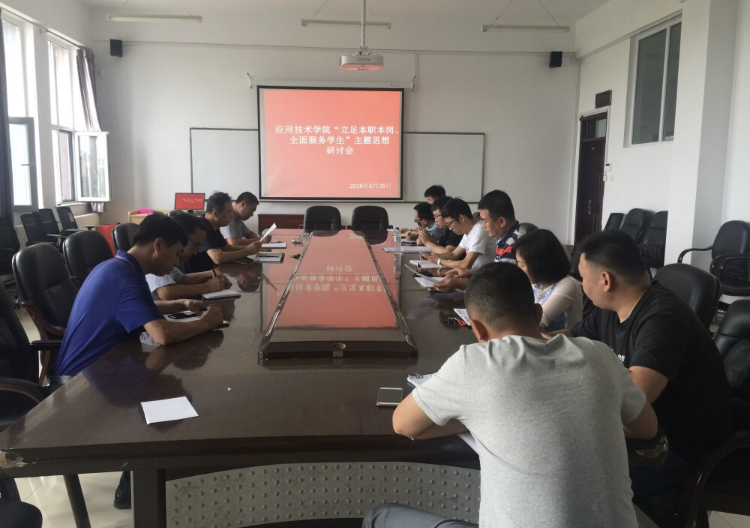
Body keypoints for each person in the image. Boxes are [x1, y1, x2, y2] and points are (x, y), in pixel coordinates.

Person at [363, 263, 657, 528]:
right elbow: (647, 427)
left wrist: (481, 415)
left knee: (380, 517)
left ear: (477, 329)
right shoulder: (599, 355)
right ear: (538, 314)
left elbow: (404, 424)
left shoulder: (474, 363)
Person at [552, 230, 732, 524]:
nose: (582, 286)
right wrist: (523, 342)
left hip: (675, 447)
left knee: (568, 479)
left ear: (605, 280)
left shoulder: (662, 317)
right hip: (642, 435)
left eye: (583, 278)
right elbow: (571, 337)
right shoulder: (611, 309)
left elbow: (634, 400)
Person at [54, 213, 224, 378]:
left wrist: (182, 303)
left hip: (104, 368)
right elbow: (163, 334)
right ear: (158, 245)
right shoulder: (126, 278)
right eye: (176, 254)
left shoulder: (117, 267)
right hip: (81, 379)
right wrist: (206, 322)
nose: (177, 262)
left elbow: (138, 308)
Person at [436, 190, 523, 292]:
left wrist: (458, 283)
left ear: (501, 221)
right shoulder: (503, 238)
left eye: (484, 220)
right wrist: (470, 272)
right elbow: (497, 273)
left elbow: (499, 283)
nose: (483, 225)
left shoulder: (513, 242)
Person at [146, 213, 232, 300]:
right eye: (195, 246)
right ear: (181, 238)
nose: (195, 252)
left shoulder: (171, 259)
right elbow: (166, 293)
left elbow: (182, 279)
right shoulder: (159, 258)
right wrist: (206, 287)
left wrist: (212, 273)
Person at [513, 229, 582, 331]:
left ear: (539, 264)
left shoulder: (568, 284)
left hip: (562, 340)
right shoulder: (537, 284)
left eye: (521, 265)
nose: (519, 269)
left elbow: (538, 322)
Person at [183, 192, 261, 272]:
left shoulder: (214, 226)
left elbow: (226, 247)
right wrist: (247, 251)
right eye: (229, 212)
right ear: (216, 214)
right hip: (194, 275)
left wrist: (248, 248)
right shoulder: (202, 227)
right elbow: (217, 258)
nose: (231, 216)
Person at [421, 198, 495, 270]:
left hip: (484, 276)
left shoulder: (479, 230)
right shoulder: (467, 232)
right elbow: (454, 254)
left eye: (450, 224)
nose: (450, 228)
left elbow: (466, 264)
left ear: (461, 218)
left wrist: (439, 261)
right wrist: (433, 256)